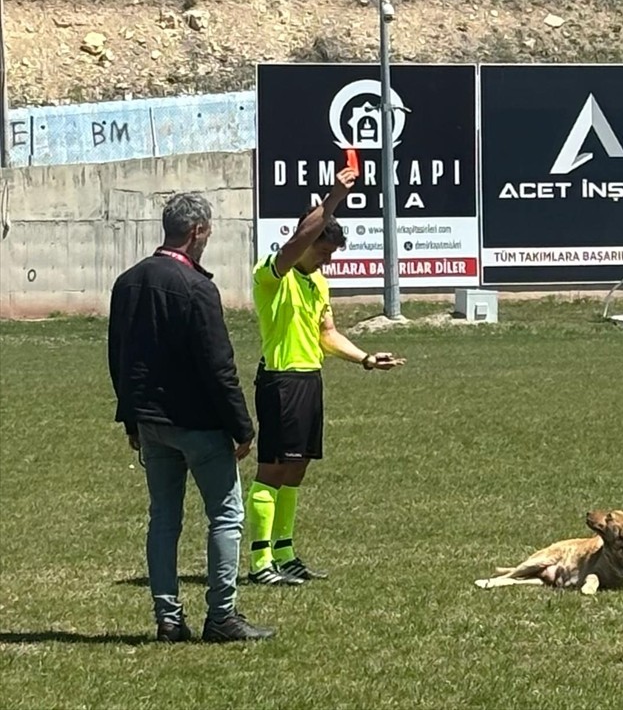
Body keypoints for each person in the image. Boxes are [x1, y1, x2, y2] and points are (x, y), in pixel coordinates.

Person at [108, 192, 275, 643]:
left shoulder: (128, 281)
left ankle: (167, 617)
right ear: (197, 231)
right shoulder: (198, 288)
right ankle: (222, 615)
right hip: (198, 423)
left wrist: (131, 420)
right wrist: (242, 427)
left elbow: (118, 357)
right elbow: (218, 367)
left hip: (151, 423)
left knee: (164, 518)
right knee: (225, 514)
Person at [246, 165, 404, 585]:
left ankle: (284, 552)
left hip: (309, 381)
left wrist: (366, 359)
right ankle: (260, 563)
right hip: (281, 381)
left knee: (296, 470)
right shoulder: (272, 275)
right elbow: (297, 241)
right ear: (306, 242)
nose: (326, 260)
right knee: (273, 470)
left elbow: (327, 334)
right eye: (323, 252)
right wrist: (334, 198)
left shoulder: (319, 283)